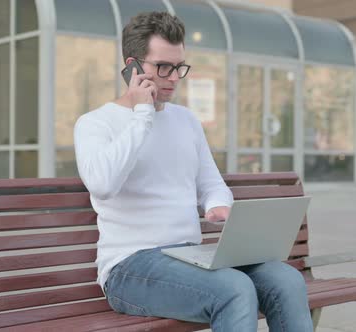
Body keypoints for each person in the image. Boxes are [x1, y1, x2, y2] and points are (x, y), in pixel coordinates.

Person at [73, 11, 313, 331]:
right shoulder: (95, 123)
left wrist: (218, 205)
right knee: (234, 289)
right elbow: (102, 184)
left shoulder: (185, 121)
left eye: (179, 67)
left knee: (285, 280)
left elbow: (211, 182)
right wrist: (143, 114)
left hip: (189, 257)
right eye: (163, 67)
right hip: (130, 266)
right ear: (132, 67)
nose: (174, 78)